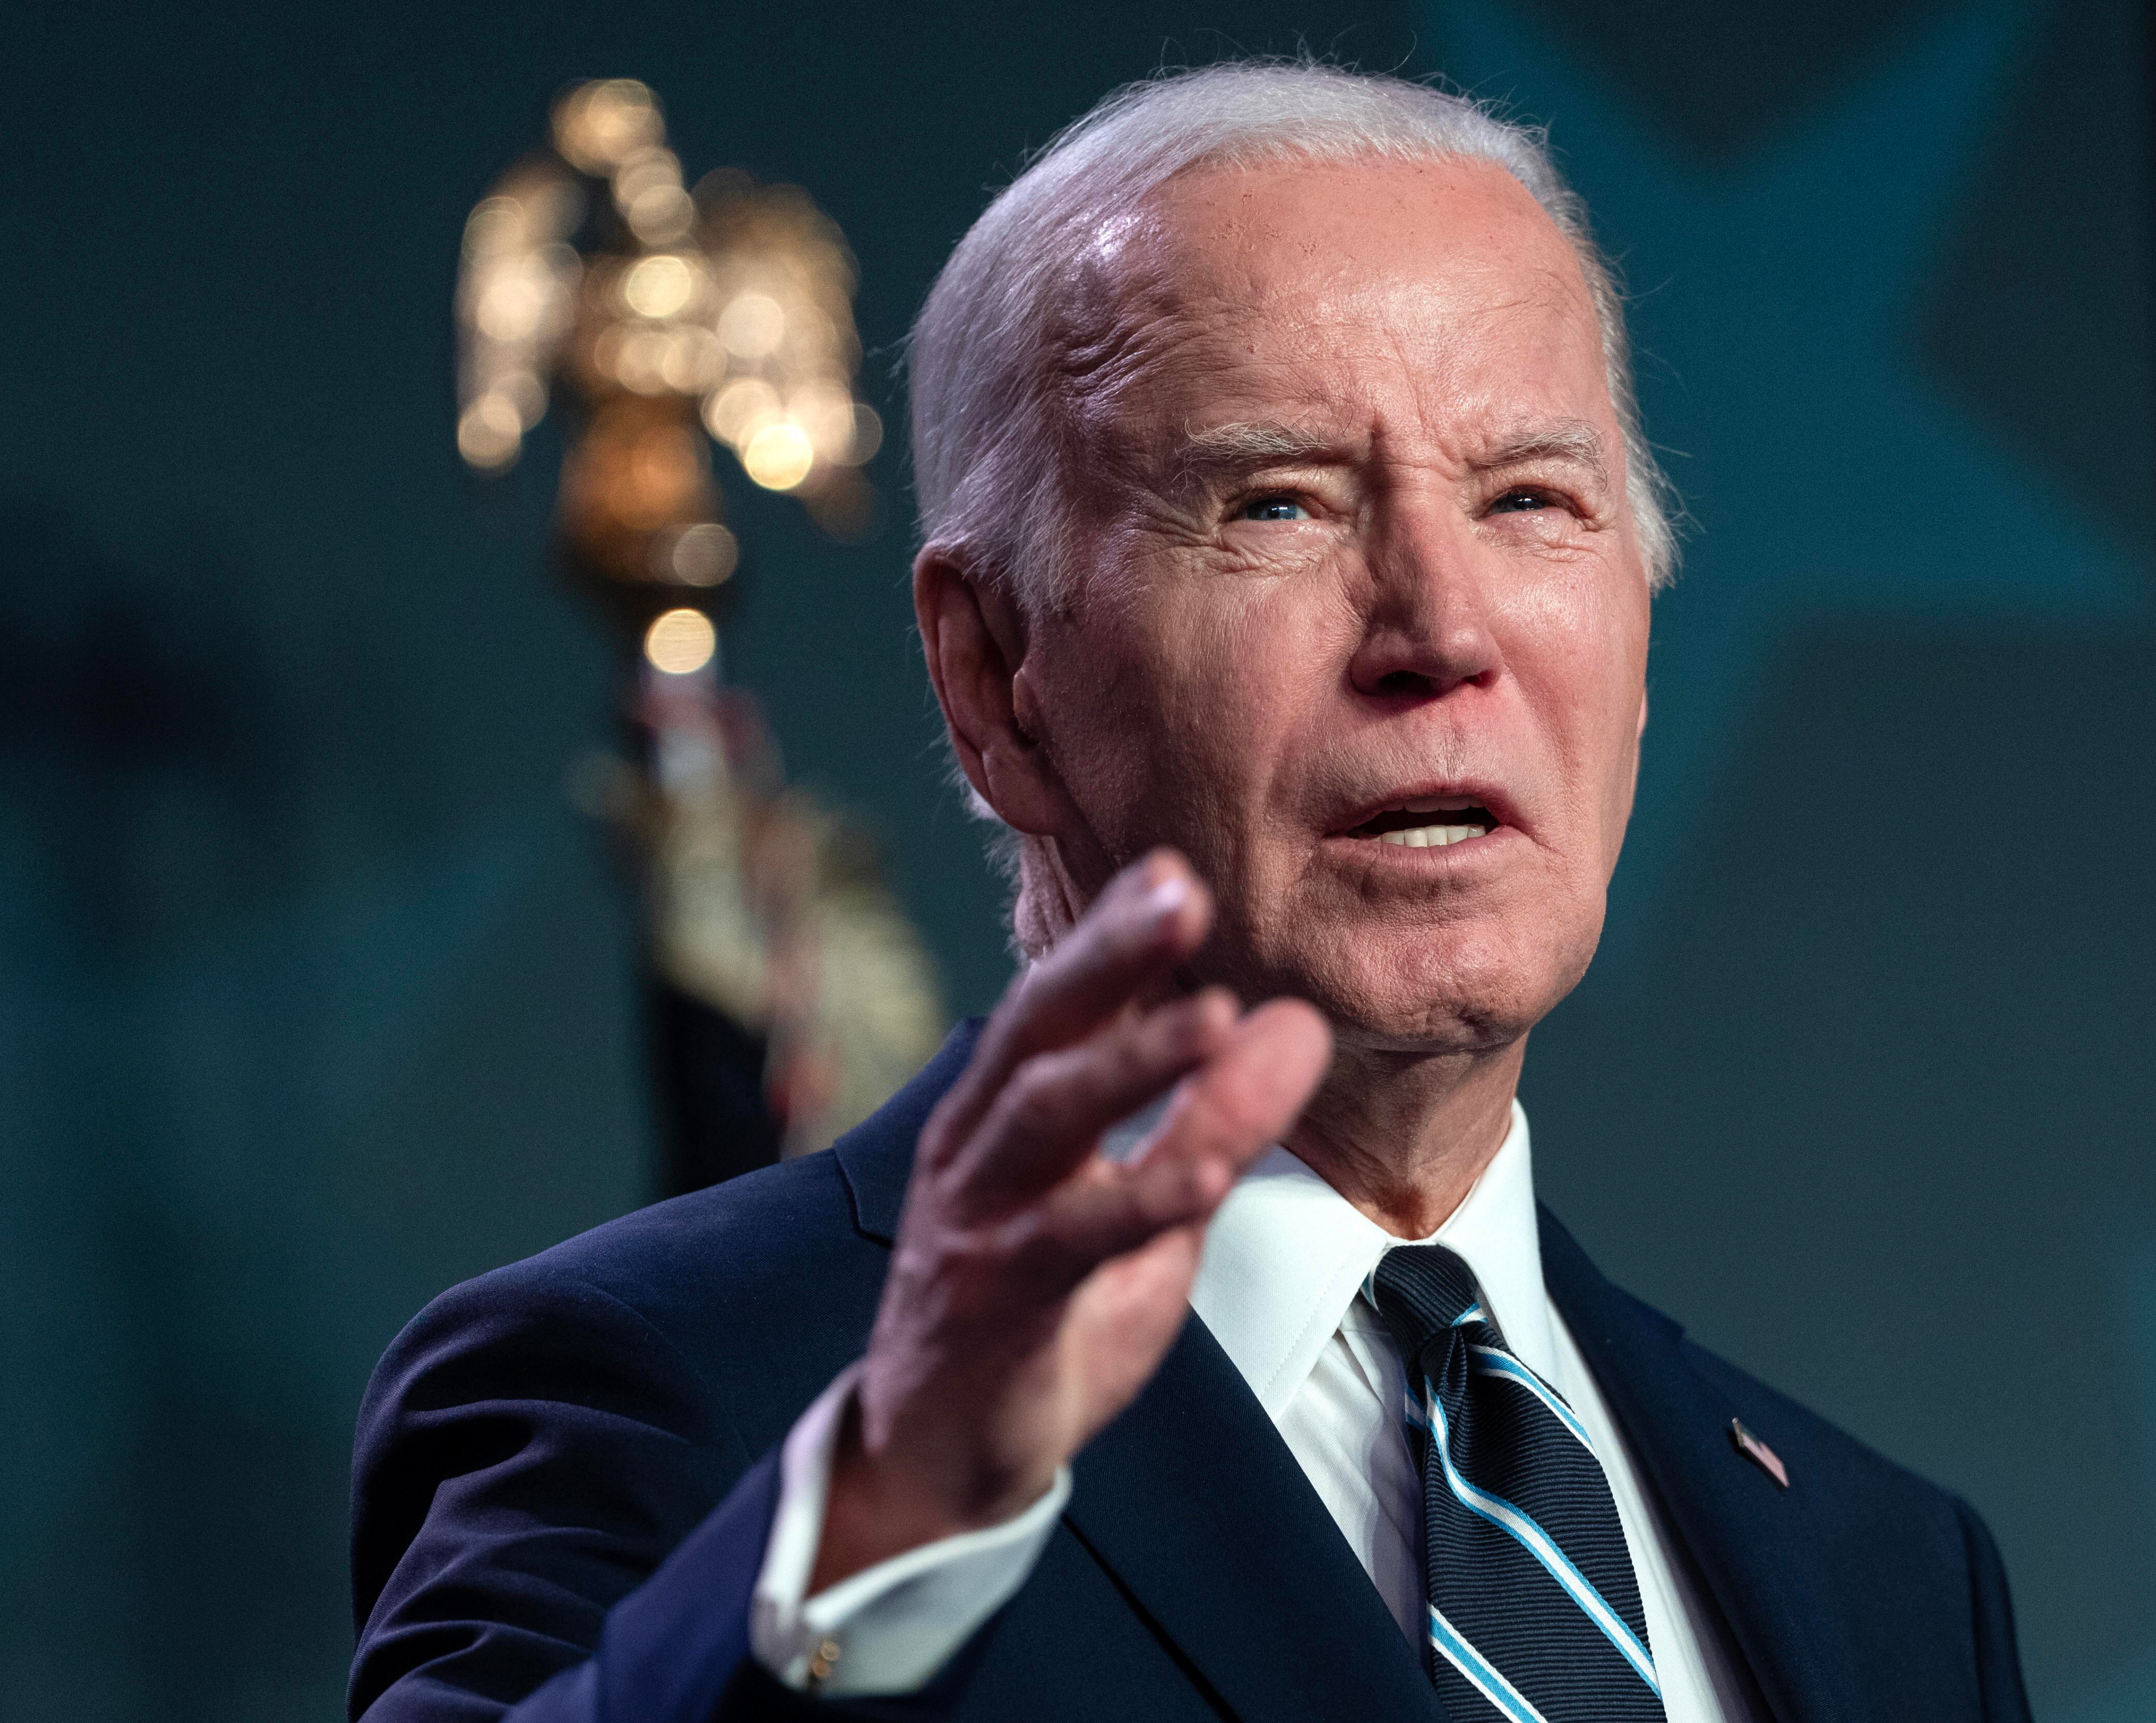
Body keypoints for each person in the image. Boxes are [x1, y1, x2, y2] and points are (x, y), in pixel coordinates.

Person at [348, 62, 2031, 1723]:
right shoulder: (676, 1391)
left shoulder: (1889, 1575)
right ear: (996, 676)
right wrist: (891, 1525)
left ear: (1643, 639)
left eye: (1531, 500)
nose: (1445, 634)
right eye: (1279, 502)